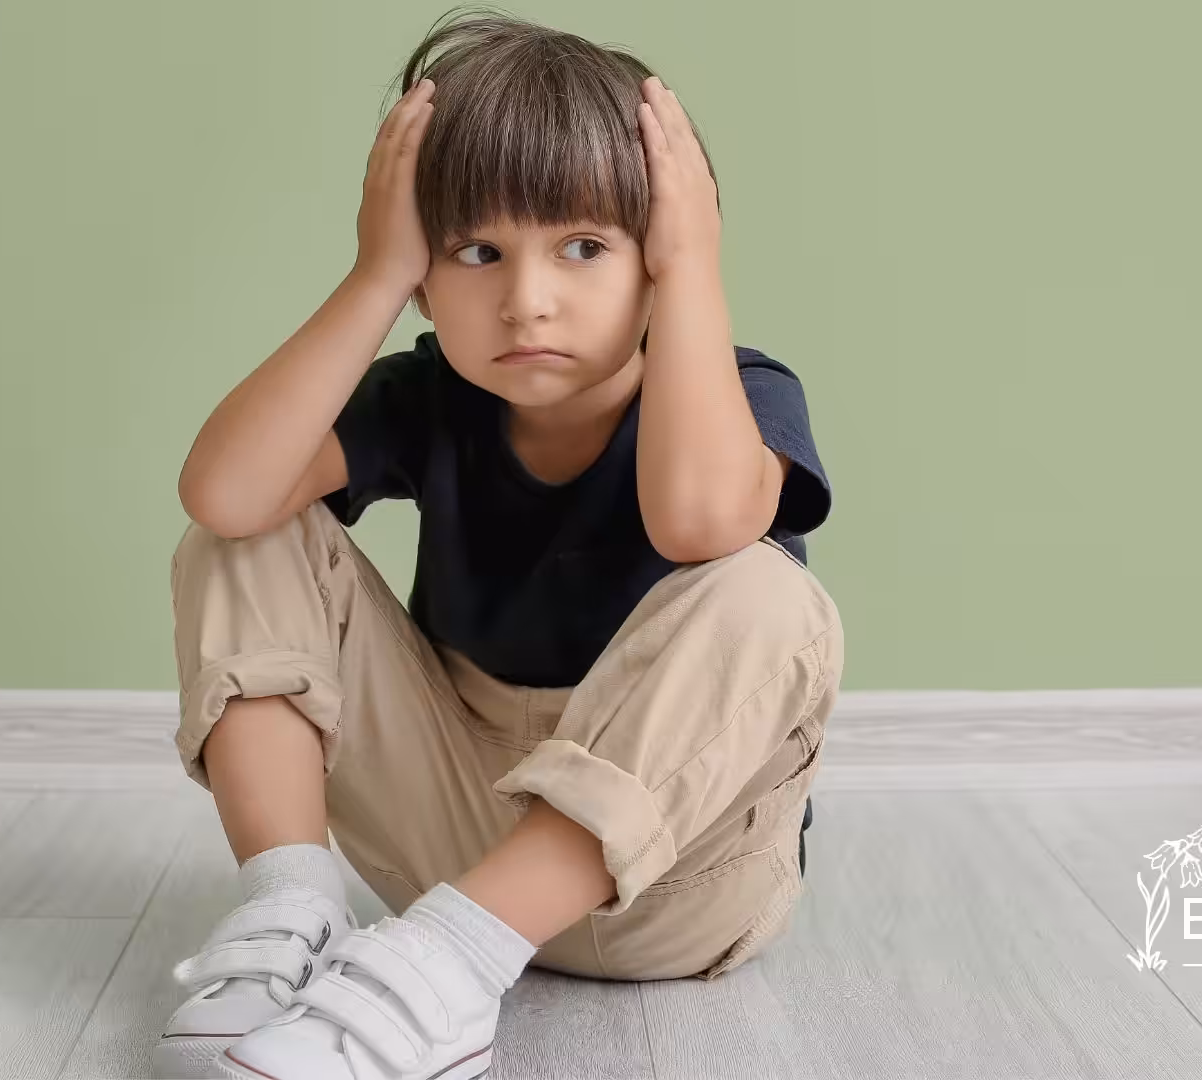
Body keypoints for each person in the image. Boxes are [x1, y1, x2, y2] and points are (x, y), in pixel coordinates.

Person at [157, 9, 843, 1079]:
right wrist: (374, 275)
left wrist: (694, 270)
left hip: (678, 890)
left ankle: (446, 966)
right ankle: (293, 919)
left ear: (656, 259)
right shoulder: (428, 398)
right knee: (242, 535)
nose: (528, 300)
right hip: (457, 846)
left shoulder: (741, 392)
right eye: (476, 252)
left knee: (766, 593)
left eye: (584, 247)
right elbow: (225, 492)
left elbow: (701, 524)